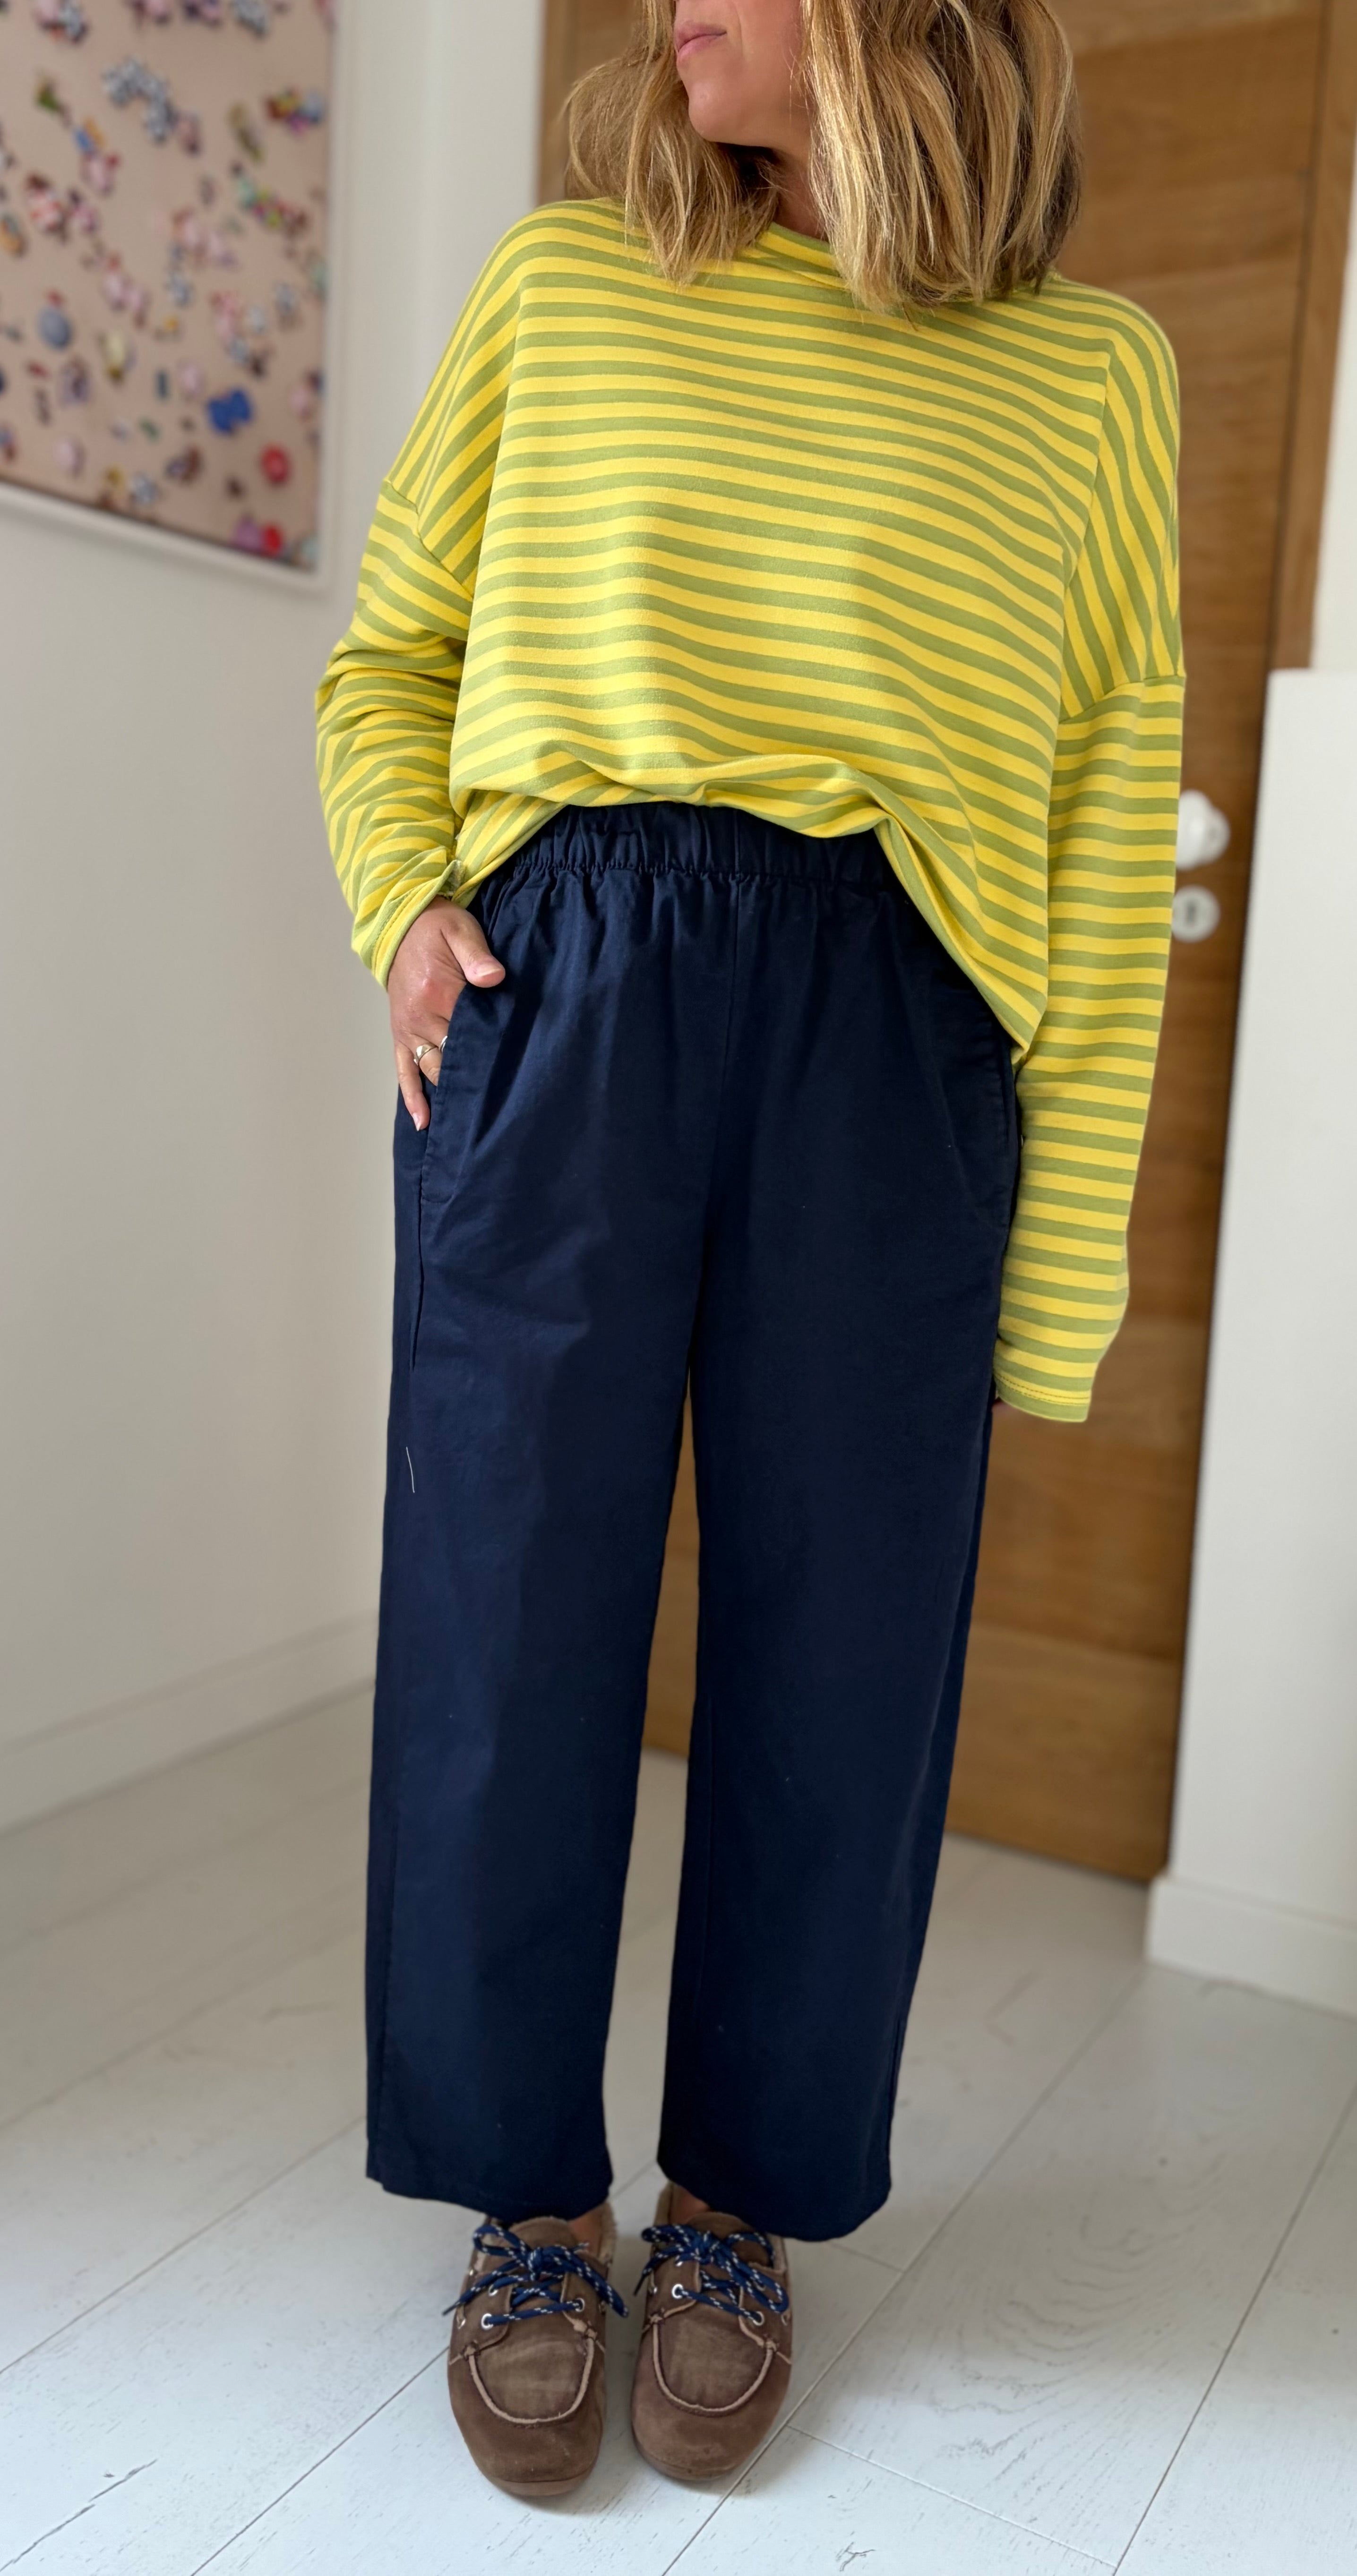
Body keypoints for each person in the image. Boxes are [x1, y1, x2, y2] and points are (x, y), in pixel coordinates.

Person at [316, 0, 1184, 2504]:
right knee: (501, 1618)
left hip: (892, 1046)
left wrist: (1058, 1277)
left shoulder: (1089, 378)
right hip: (562, 998)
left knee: (845, 1656)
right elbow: (391, 656)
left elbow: (1103, 823)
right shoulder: (565, 287)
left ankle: (736, 2209)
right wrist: (403, 905)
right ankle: (526, 2204)